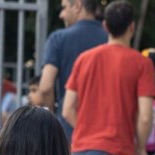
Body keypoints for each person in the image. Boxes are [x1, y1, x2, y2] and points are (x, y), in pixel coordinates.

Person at [63, 1, 155, 155]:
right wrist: (139, 146)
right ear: (132, 27)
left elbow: (67, 108)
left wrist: (85, 128)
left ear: (105, 26)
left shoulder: (84, 59)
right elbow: (146, 116)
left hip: (80, 154)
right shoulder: (140, 63)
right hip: (114, 153)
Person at [30, 0, 106, 138]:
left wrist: (54, 113)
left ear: (77, 6)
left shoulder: (58, 39)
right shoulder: (109, 38)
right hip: (107, 130)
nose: (61, 15)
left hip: (70, 129)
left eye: (64, 8)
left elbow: (46, 86)